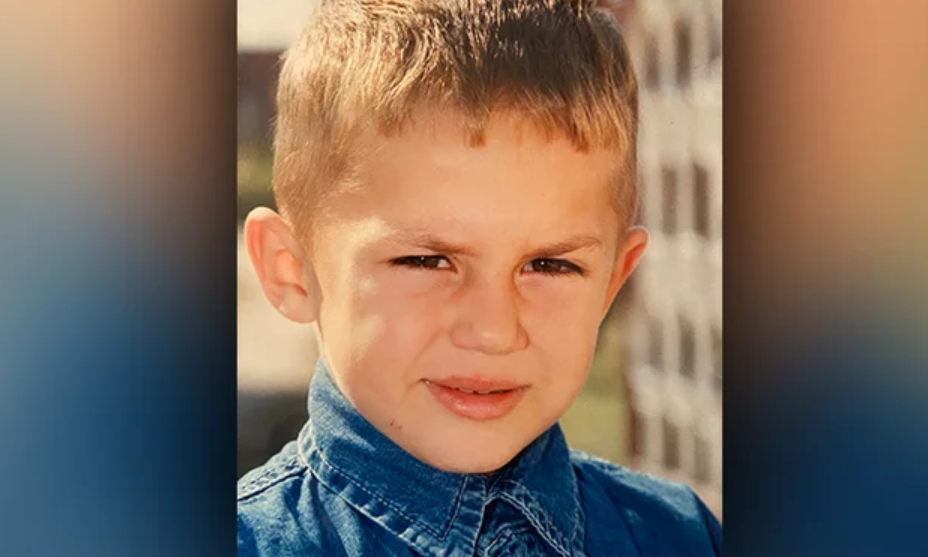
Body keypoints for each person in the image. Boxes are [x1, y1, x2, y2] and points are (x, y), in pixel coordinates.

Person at [237, 0, 721, 555]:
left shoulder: (685, 536)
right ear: (291, 270)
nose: (493, 331)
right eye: (426, 261)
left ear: (613, 283)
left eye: (550, 265)